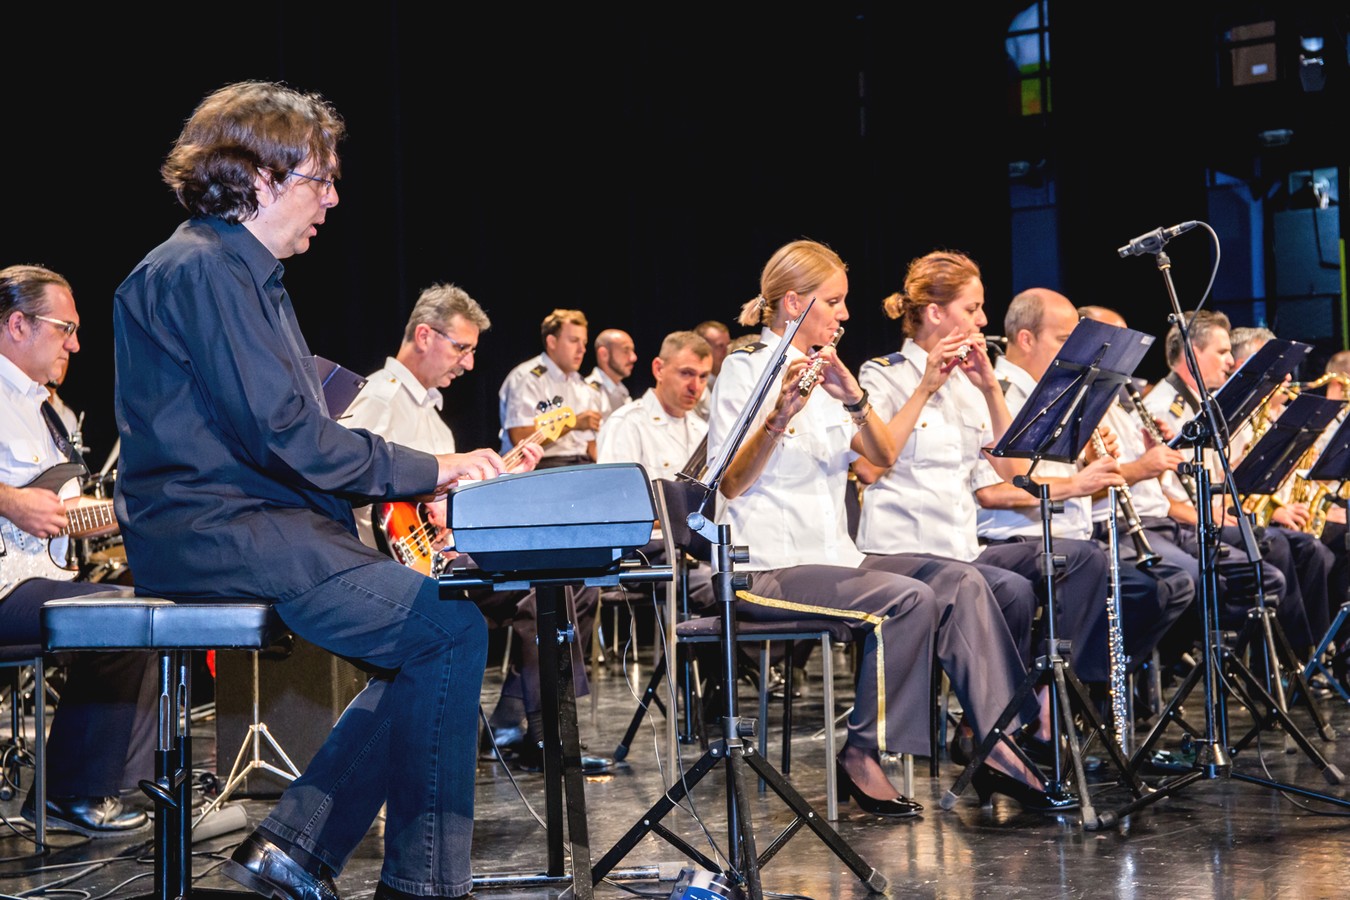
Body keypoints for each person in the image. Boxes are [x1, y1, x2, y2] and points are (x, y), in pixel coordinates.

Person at [112, 81, 515, 900]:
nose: (332, 199)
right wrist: (438, 466)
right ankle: (416, 882)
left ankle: (298, 847)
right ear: (258, 176)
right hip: (217, 529)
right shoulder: (204, 272)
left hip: (254, 519)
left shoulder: (240, 274)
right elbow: (287, 436)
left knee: (438, 636)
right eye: (317, 180)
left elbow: (283, 427)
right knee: (446, 631)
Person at [708, 238, 1074, 815]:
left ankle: (994, 739)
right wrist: (778, 417)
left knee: (964, 581)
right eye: (834, 302)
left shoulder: (830, 373)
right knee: (906, 599)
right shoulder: (746, 370)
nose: (846, 315)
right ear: (794, 303)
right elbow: (729, 483)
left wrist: (853, 397)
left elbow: (879, 456)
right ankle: (862, 753)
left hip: (835, 556)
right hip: (766, 565)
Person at [972, 289, 1194, 696]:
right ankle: (1063, 696)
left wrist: (1091, 460)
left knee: (1166, 585)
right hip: (1020, 540)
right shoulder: (999, 394)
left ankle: (1090, 691)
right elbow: (996, 491)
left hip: (1072, 541)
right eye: (1063, 342)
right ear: (1026, 339)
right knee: (1137, 584)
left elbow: (1072, 484)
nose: (1073, 356)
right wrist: (1080, 481)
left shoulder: (1058, 394)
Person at [0, 263, 155, 837]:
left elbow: (63, 515)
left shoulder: (53, 414)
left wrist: (144, 510)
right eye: (65, 327)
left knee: (151, 611)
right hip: (5, 590)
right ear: (18, 323)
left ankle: (113, 786)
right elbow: (24, 505)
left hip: (36, 580)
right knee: (122, 616)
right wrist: (11, 501)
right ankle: (74, 794)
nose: (76, 343)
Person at [1142, 310, 1312, 654]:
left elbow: (1217, 479)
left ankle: (1291, 657)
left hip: (1203, 517)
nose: (1230, 360)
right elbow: (1161, 498)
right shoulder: (1161, 407)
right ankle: (1266, 657)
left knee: (1295, 547)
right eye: (1221, 352)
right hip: (1180, 523)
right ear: (1191, 353)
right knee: (1273, 547)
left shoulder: (1204, 404)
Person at [596, 329, 711, 478]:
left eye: (703, 376)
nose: (695, 387)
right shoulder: (626, 425)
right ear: (659, 369)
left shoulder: (703, 430)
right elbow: (615, 494)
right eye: (686, 373)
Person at [498, 308, 605, 467]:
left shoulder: (581, 384)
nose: (582, 349)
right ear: (552, 342)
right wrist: (573, 423)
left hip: (581, 464)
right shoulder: (528, 378)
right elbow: (520, 437)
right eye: (574, 340)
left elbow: (591, 446)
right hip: (540, 466)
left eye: (584, 343)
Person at [586, 327, 637, 414]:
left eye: (632, 351)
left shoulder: (624, 394)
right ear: (604, 354)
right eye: (626, 350)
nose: (633, 358)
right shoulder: (586, 392)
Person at [693, 320, 731, 418]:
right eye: (720, 346)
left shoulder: (732, 380)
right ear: (702, 348)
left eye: (728, 345)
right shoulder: (693, 386)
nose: (727, 351)